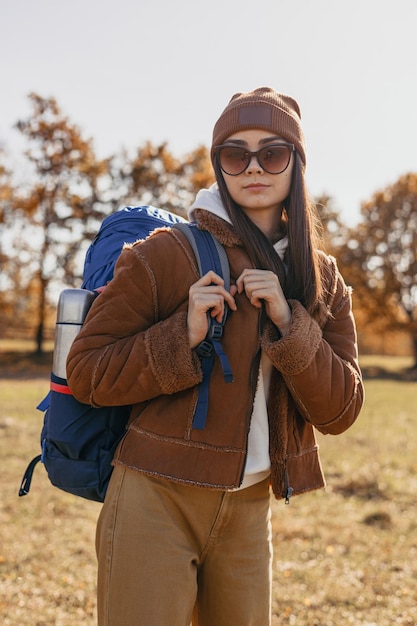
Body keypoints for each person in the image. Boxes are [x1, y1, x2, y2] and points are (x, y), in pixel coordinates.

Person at [67, 87, 364, 626]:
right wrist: (180, 333)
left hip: (251, 511)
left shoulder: (321, 278)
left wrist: (289, 325)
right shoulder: (165, 253)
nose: (254, 167)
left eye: (272, 153)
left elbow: (341, 411)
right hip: (153, 499)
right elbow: (87, 373)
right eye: (235, 154)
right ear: (218, 165)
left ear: (296, 163)